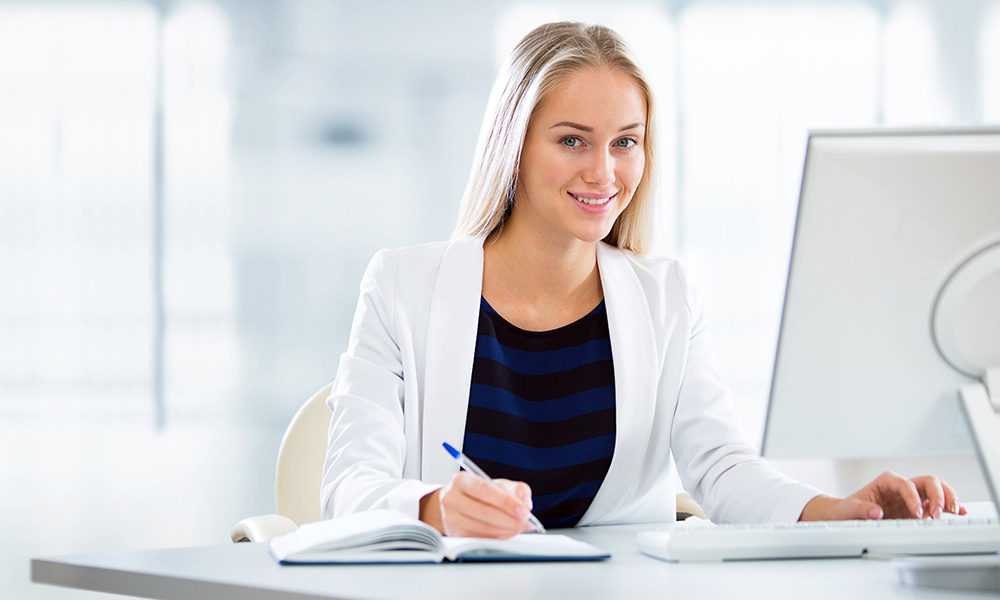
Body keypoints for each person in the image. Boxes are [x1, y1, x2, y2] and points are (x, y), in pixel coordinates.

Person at [320, 21, 966, 539]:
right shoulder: (404, 286)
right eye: (573, 141)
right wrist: (437, 508)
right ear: (513, 146)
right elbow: (350, 486)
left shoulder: (667, 296)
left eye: (626, 142)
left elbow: (722, 468)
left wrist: (839, 512)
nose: (604, 172)